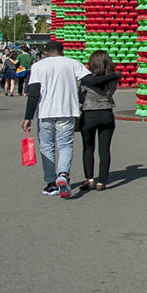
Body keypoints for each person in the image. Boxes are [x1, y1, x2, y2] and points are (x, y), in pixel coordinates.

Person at [23, 39, 89, 199]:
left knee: (47, 147)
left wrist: (28, 117)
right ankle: (63, 175)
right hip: (67, 110)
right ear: (62, 50)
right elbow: (88, 80)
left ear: (45, 52)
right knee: (65, 145)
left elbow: (33, 93)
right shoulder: (73, 63)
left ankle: (51, 183)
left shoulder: (38, 66)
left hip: (45, 112)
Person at [78, 49, 119, 192]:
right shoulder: (113, 77)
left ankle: (89, 179)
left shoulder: (86, 79)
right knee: (104, 149)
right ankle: (102, 181)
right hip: (106, 113)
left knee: (88, 148)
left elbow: (80, 97)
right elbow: (111, 91)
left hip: (89, 114)